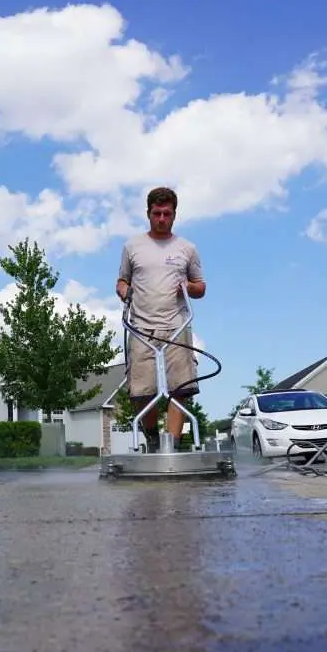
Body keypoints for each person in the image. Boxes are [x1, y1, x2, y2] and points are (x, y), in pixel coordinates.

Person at [116, 186, 206, 453]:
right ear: (148, 213)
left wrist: (188, 287)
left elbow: (201, 287)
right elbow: (122, 281)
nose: (162, 219)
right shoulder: (132, 246)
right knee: (141, 391)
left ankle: (173, 445)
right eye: (157, 213)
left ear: (174, 215)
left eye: (167, 214)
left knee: (181, 388)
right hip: (141, 327)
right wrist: (124, 290)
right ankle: (154, 439)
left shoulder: (187, 248)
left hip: (177, 325)